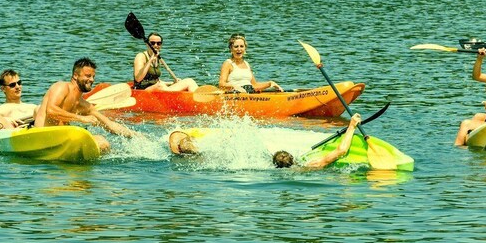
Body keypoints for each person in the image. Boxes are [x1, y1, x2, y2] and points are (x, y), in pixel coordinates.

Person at [169, 114, 363, 170]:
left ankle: (187, 147)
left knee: (206, 156)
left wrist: (351, 125)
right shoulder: (309, 166)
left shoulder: (260, 163)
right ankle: (187, 148)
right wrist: (352, 126)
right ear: (294, 159)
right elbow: (341, 150)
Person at [33, 57, 140, 153]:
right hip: (43, 138)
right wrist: (82, 119)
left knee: (104, 144)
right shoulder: (61, 87)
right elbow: (51, 111)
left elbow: (109, 124)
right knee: (102, 141)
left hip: (61, 141)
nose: (92, 80)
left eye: (93, 76)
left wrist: (135, 135)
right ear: (75, 75)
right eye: (88, 76)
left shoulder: (83, 105)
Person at [133, 32, 198, 92]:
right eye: (152, 43)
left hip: (156, 87)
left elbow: (156, 81)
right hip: (142, 91)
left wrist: (172, 82)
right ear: (147, 44)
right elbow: (138, 78)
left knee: (189, 81)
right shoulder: (141, 56)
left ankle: (199, 101)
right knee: (160, 86)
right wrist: (150, 60)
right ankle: (175, 97)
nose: (156, 45)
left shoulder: (157, 58)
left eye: (158, 43)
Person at [219, 34, 283, 94]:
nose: (239, 49)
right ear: (231, 49)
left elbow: (254, 85)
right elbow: (221, 84)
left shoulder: (247, 64)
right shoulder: (228, 63)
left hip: (249, 93)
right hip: (235, 95)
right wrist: (234, 86)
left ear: (245, 48)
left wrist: (270, 83)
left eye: (241, 46)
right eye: (236, 47)